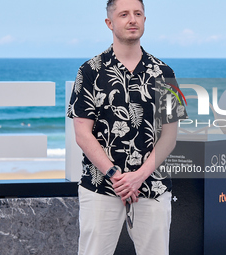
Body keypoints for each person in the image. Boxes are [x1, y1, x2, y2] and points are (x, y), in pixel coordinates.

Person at [67, 0, 187, 254]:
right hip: (100, 186)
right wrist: (116, 176)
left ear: (144, 20)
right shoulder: (89, 71)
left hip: (153, 186)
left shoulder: (165, 72)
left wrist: (139, 176)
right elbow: (82, 133)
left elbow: (170, 137)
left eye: (138, 14)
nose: (132, 19)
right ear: (110, 23)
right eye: (124, 14)